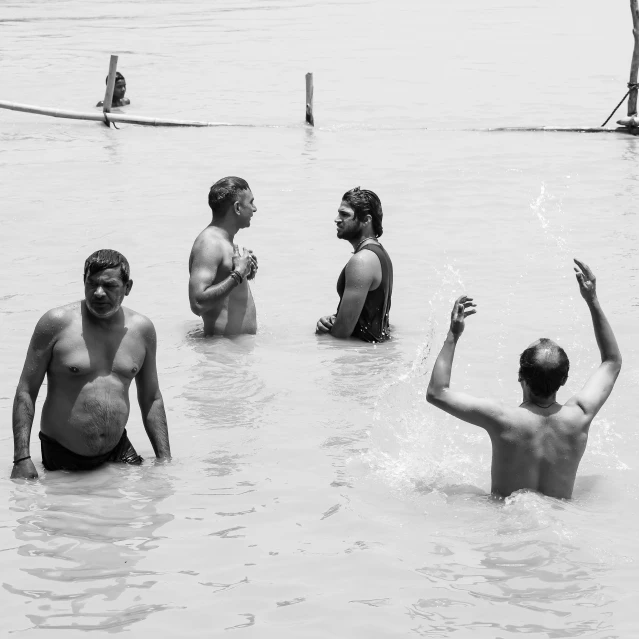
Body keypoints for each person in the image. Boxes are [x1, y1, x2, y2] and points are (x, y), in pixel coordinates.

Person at [426, 259, 622, 499]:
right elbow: (612, 361)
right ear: (563, 381)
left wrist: (453, 336)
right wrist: (591, 299)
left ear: (520, 377)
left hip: (507, 524)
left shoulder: (502, 419)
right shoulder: (579, 417)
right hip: (559, 526)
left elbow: (437, 392)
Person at [11, 250, 171, 479]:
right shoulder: (56, 323)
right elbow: (26, 391)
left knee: (143, 508)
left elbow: (151, 398)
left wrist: (165, 460)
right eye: (91, 283)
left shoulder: (142, 330)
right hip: (63, 456)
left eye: (109, 285)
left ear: (128, 287)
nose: (98, 293)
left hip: (118, 450)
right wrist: (22, 459)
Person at [316, 187, 393, 342]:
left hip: (360, 361)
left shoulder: (362, 261)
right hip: (371, 356)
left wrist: (321, 337)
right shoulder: (379, 254)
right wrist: (333, 319)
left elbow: (342, 333)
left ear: (366, 220)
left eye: (344, 214)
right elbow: (369, 316)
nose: (337, 219)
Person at [188, 176, 258, 336]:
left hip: (232, 353)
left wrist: (246, 272)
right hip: (220, 354)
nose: (254, 209)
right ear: (237, 208)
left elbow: (227, 294)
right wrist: (238, 274)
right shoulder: (209, 244)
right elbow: (197, 303)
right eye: (251, 202)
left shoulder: (225, 242)